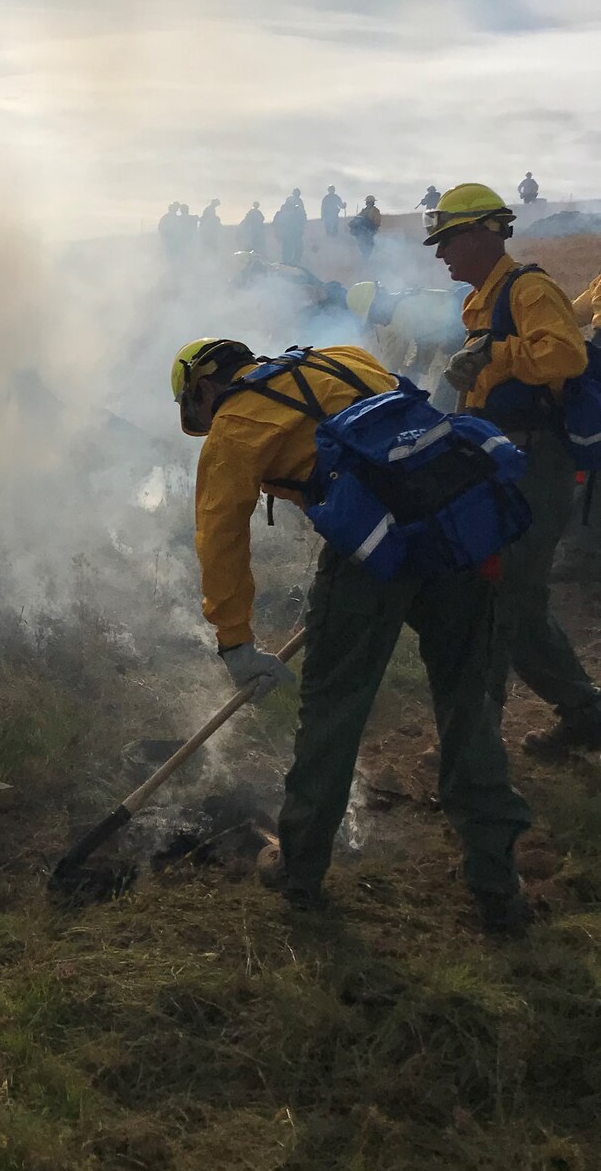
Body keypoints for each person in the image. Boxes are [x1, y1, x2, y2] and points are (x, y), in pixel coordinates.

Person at [170, 335, 531, 934]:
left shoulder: (234, 426)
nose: (205, 421)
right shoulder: (340, 356)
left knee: (334, 711)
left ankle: (300, 869)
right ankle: (497, 882)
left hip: (373, 556)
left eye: (196, 411)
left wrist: (235, 641)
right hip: (459, 532)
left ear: (204, 389)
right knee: (470, 708)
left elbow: (221, 536)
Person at [426, 184, 601, 756]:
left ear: (482, 233)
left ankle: (476, 748)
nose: (441, 254)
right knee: (508, 602)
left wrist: (497, 356)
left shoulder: (527, 288)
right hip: (498, 464)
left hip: (533, 465)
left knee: (501, 601)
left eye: (448, 240)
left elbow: (565, 356)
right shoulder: (480, 300)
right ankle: (583, 713)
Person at [346, 280, 466, 403]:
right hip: (461, 327)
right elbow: (427, 336)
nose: (377, 322)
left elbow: (391, 364)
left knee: (445, 400)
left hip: (465, 332)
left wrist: (378, 390)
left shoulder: (401, 318)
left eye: (372, 316)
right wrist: (417, 367)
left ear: (377, 304)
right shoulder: (407, 299)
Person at [272, 188, 308, 267]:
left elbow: (302, 216)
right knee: (290, 248)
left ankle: (292, 263)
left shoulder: (297, 204)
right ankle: (288, 264)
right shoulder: (290, 205)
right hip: (290, 231)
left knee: (295, 248)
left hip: (294, 231)